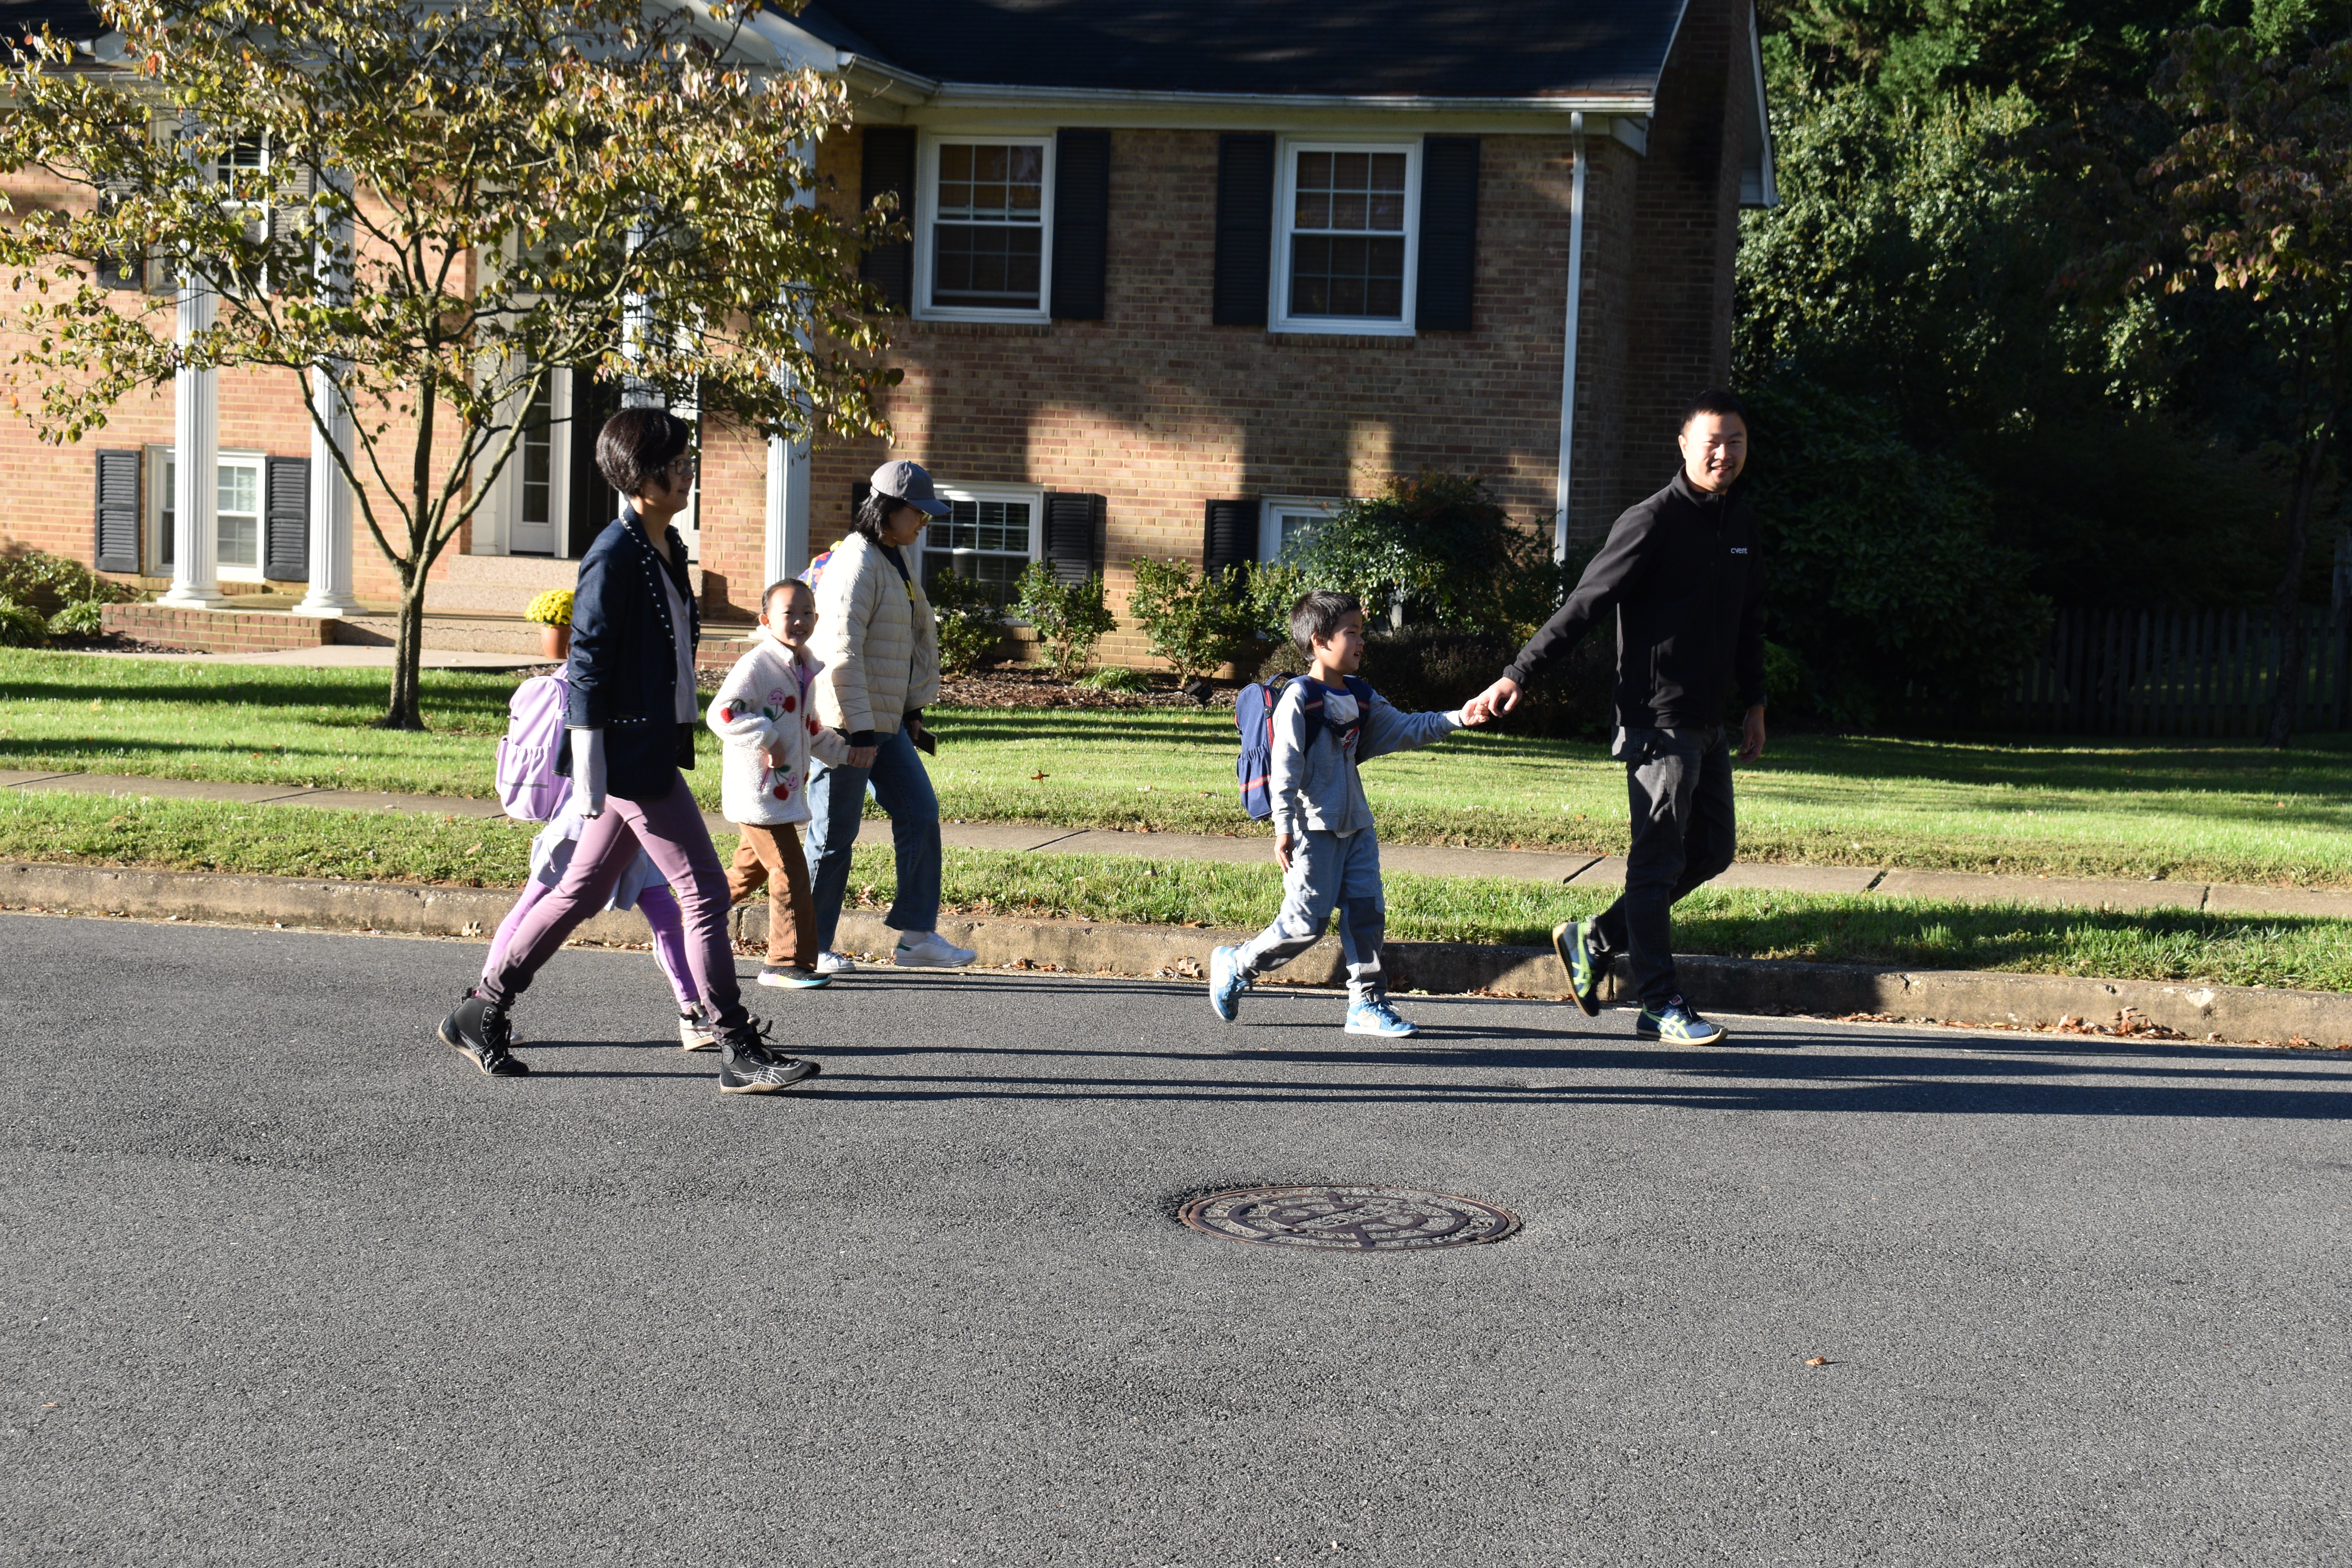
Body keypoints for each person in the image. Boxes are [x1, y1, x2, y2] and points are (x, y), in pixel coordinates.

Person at [437, 408, 820, 1093]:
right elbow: (586, 662)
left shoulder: (665, 546)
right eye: (678, 463)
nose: (689, 471)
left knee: (579, 891)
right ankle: (736, 1044)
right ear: (644, 477)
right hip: (627, 757)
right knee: (703, 891)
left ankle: (481, 1009)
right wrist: (590, 762)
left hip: (648, 748)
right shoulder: (613, 556)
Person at [1463, 387, 1766, 1047]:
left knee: (1712, 850)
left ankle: (1594, 938)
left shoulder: (1739, 523)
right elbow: (1586, 606)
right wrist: (1519, 673)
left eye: (1735, 441)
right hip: (1657, 720)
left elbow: (1747, 622)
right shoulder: (1652, 520)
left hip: (1709, 721)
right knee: (1656, 863)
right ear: (1685, 446)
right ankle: (1659, 1003)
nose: (1724, 453)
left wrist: (1756, 702)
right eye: (1712, 442)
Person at [1209, 590, 1481, 1038]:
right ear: (1319, 641)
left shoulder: (1360, 694)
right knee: (1304, 924)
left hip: (1357, 827)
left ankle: (1367, 1005)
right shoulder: (1299, 697)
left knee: (1366, 914)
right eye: (1351, 632)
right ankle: (1236, 965)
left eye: (1361, 632)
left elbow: (1408, 727)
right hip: (1311, 829)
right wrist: (1283, 828)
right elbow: (1286, 769)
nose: (1361, 641)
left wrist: (1460, 716)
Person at [802, 459, 975, 974]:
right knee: (833, 838)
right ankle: (808, 946)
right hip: (845, 724)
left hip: (885, 722)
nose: (925, 522)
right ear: (889, 509)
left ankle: (917, 936)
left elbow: (904, 645)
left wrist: (911, 710)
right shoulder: (855, 563)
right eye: (918, 512)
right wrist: (856, 730)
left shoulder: (892, 558)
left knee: (920, 814)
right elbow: (842, 653)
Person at [710, 577, 852, 989]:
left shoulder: (804, 666)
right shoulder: (757, 665)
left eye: (808, 612)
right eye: (789, 613)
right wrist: (767, 738)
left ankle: (686, 926)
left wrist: (847, 753)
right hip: (756, 793)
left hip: (780, 792)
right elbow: (722, 714)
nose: (800, 620)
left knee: (745, 873)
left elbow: (808, 728)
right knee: (790, 870)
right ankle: (783, 962)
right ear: (766, 620)